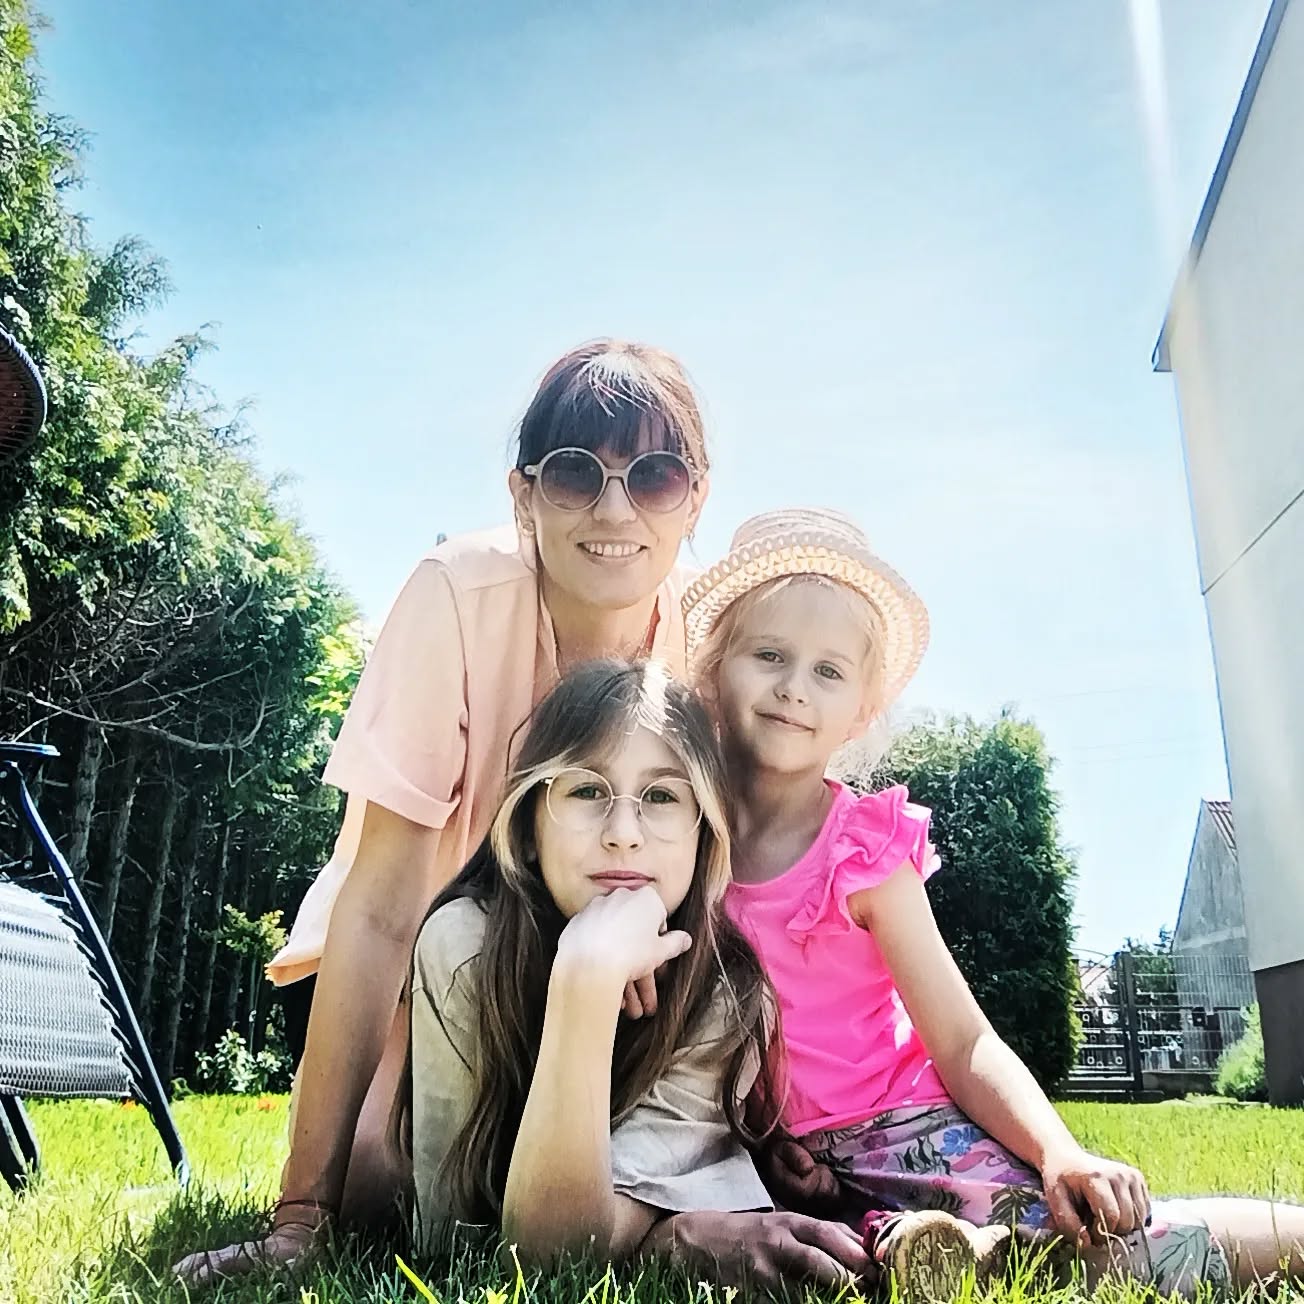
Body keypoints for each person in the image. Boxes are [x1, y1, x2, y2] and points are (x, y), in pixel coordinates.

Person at [172, 347, 865, 1289]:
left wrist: (772, 1106)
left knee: (580, 1163)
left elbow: (746, 855)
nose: (615, 511)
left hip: (631, 972)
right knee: (390, 1199)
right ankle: (642, 1222)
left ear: (695, 500)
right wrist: (304, 1215)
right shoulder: (456, 595)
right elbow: (380, 908)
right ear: (522, 494)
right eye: (577, 472)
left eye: (655, 477)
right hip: (438, 965)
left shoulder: (708, 639)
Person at [682, 506, 1304, 1297]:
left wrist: (1059, 1152)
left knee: (1103, 1247)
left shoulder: (864, 854)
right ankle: (937, 1249)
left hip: (901, 1136)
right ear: (714, 670)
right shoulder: (684, 839)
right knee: (818, 1270)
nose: (793, 689)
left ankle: (1279, 1236)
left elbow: (963, 1039)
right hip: (769, 1165)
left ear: (863, 709)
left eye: (828, 671)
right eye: (768, 654)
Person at [409, 658, 865, 1290]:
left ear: (702, 837)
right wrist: (586, 978)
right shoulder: (463, 946)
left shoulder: (723, 996)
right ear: (530, 828)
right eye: (586, 790)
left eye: (661, 796)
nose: (623, 834)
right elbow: (454, 1243)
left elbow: (559, 1254)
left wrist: (657, 1233)